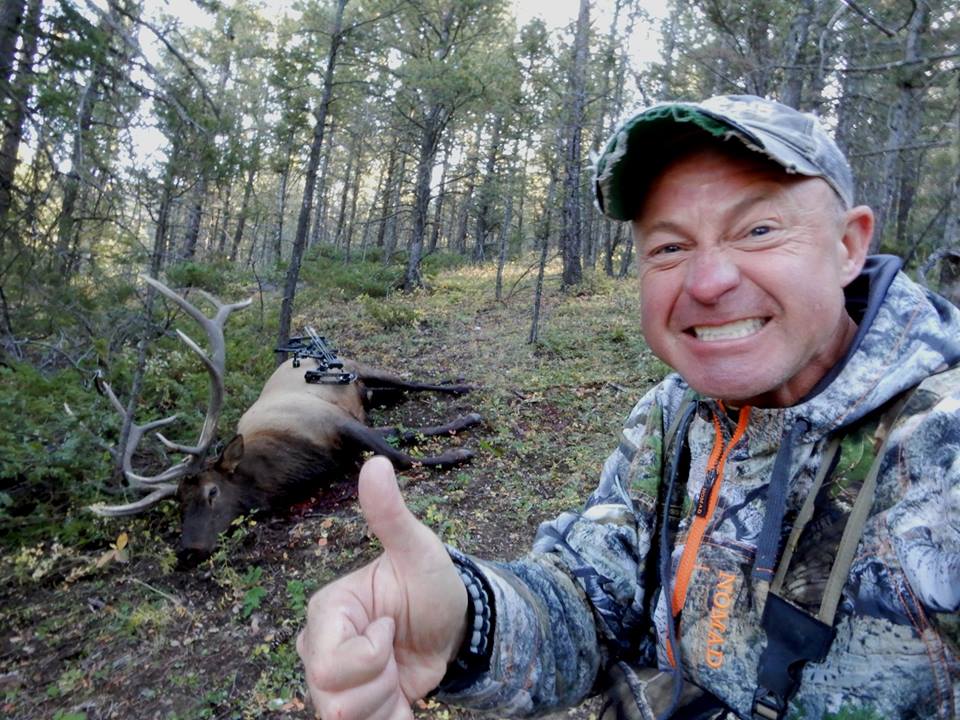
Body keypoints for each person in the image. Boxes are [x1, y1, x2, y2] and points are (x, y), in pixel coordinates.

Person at [297, 95, 960, 720]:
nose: (708, 281)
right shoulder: (676, 414)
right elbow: (593, 602)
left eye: (757, 229)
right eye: (670, 247)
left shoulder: (942, 456)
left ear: (849, 246)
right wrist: (466, 621)